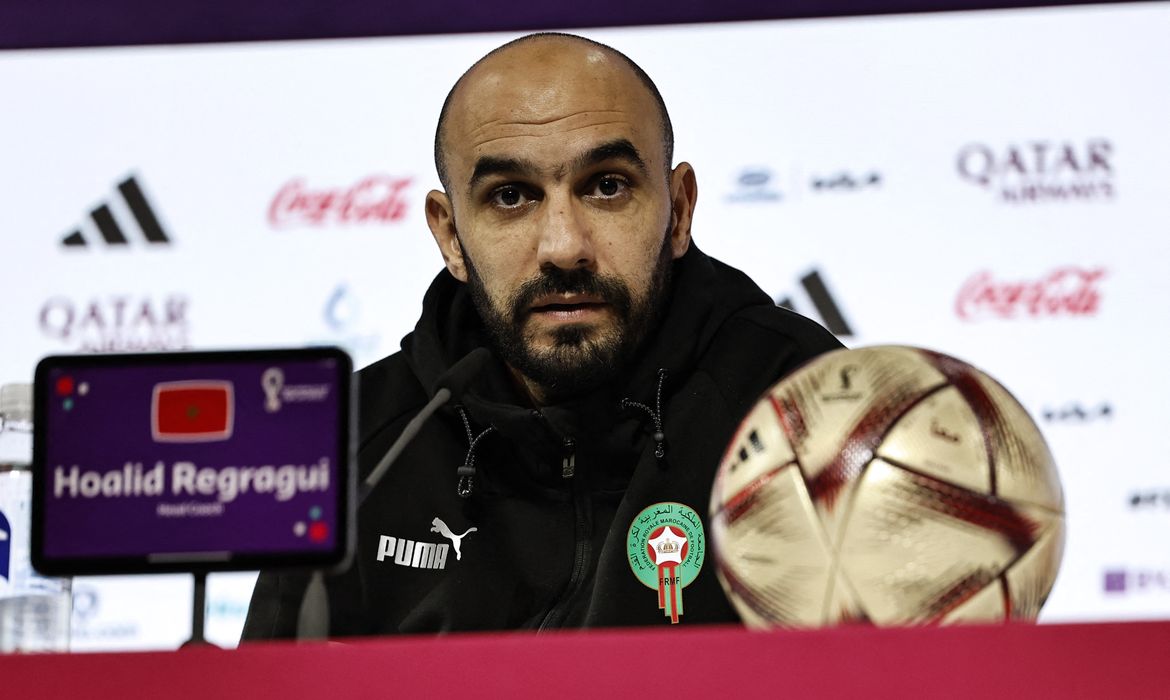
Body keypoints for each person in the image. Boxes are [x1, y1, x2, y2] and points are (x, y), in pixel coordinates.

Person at [243, 31, 842, 637]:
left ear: (679, 209)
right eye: (511, 196)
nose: (564, 247)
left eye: (607, 186)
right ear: (450, 235)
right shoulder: (362, 447)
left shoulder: (803, 402)